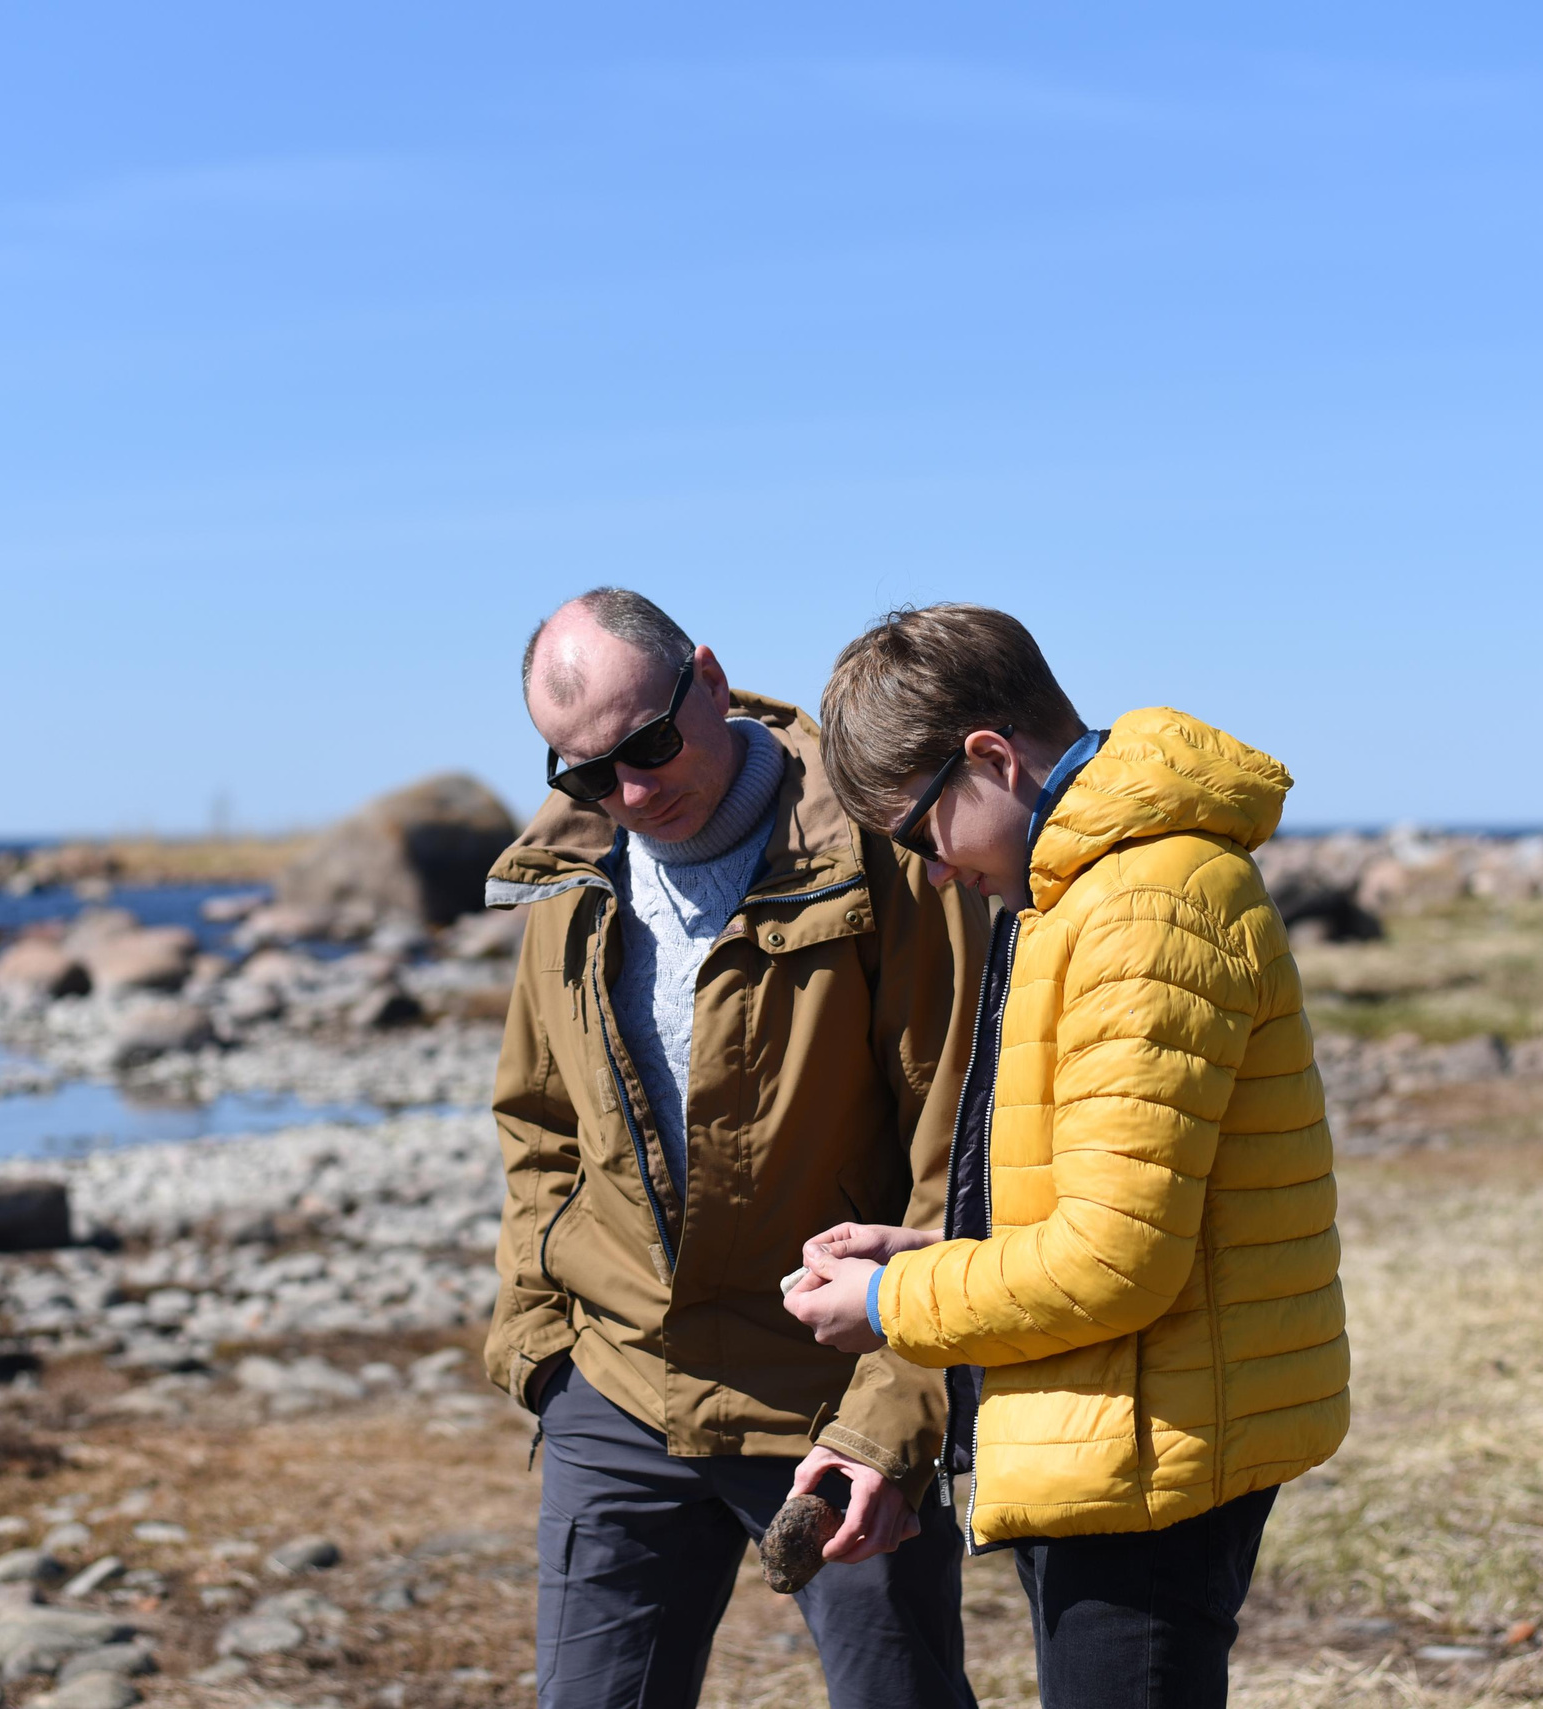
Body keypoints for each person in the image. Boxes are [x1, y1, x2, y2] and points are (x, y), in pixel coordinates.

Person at [785, 603, 1349, 1708]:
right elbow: (1115, 1200)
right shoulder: (1081, 891)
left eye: (917, 835)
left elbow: (1113, 1262)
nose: (932, 875)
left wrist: (896, 1297)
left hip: (1149, 1447)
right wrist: (946, 1242)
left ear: (990, 757)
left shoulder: (1142, 904)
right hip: (1120, 1414)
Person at [482, 587, 989, 1709]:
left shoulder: (882, 854)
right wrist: (537, 1339)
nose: (628, 789)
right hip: (612, 1388)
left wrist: (897, 1411)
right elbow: (538, 1121)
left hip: (829, 1399)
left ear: (709, 679)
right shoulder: (569, 880)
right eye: (581, 771)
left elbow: (952, 1154)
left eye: (648, 745)